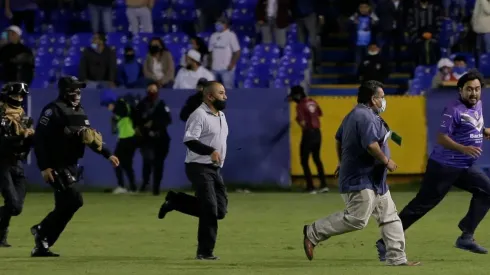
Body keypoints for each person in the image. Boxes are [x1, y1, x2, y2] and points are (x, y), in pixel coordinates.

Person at [302, 80, 420, 266]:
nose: (384, 101)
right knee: (357, 218)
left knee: (390, 217)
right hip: (360, 178)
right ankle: (313, 232)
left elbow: (338, 139)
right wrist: (387, 161)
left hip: (375, 180)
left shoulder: (357, 115)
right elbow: (371, 146)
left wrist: (341, 162)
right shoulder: (364, 117)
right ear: (373, 99)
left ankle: (397, 259)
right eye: (382, 97)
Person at [376, 70, 490, 260]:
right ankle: (385, 242)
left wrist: (483, 130)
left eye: (477, 89)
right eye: (469, 89)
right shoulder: (453, 109)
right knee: (422, 205)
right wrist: (463, 148)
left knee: (487, 191)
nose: (474, 93)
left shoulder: (477, 104)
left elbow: (471, 124)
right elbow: (442, 138)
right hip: (443, 167)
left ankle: (466, 236)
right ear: (460, 90)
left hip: (464, 166)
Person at [31, 76, 119, 257]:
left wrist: (108, 154)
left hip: (71, 164)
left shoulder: (80, 111)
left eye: (79, 89)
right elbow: (39, 140)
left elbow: (90, 138)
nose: (78, 93)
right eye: (74, 89)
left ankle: (42, 243)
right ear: (65, 91)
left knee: (65, 206)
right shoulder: (52, 110)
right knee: (75, 200)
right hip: (56, 163)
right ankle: (42, 229)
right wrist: (44, 167)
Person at [157, 81, 228, 260]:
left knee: (220, 211)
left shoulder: (221, 115)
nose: (225, 96)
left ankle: (175, 201)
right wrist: (210, 151)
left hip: (214, 169)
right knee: (210, 209)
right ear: (210, 96)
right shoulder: (199, 114)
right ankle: (205, 252)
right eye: (221, 93)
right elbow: (189, 140)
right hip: (198, 167)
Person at [0, 82, 34, 247]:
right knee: (13, 205)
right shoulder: (1, 113)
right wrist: (22, 137)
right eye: (15, 96)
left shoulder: (21, 114)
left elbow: (26, 143)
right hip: (2, 162)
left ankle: (0, 236)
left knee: (15, 206)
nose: (18, 99)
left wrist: (30, 138)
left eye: (21, 96)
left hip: (16, 162)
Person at [288, 85, 329, 194]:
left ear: (297, 95)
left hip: (308, 133)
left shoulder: (300, 105)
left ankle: (310, 187)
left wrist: (298, 120)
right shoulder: (312, 102)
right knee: (317, 159)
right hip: (317, 133)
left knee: (304, 160)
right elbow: (319, 113)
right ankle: (324, 185)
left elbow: (303, 123)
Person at [133, 82, 172, 195]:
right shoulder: (141, 105)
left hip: (161, 139)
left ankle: (156, 188)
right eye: (150, 90)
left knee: (158, 164)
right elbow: (136, 120)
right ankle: (145, 184)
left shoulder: (161, 104)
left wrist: (154, 123)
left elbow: (167, 120)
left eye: (154, 91)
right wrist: (142, 126)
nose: (152, 93)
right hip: (146, 139)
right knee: (147, 161)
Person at [100, 90, 138, 194]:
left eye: (107, 105)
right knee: (126, 164)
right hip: (126, 138)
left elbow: (125, 112)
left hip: (128, 138)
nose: (108, 108)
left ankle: (122, 186)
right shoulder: (120, 107)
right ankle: (132, 188)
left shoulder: (120, 104)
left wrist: (115, 111)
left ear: (111, 102)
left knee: (116, 161)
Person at [208, 17, 241, 89]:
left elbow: (237, 51)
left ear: (225, 24)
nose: (217, 25)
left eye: (219, 24)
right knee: (212, 89)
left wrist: (232, 64)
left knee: (228, 89)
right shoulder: (213, 36)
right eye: (216, 24)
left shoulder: (231, 35)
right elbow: (210, 51)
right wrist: (210, 64)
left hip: (226, 69)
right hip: (214, 68)